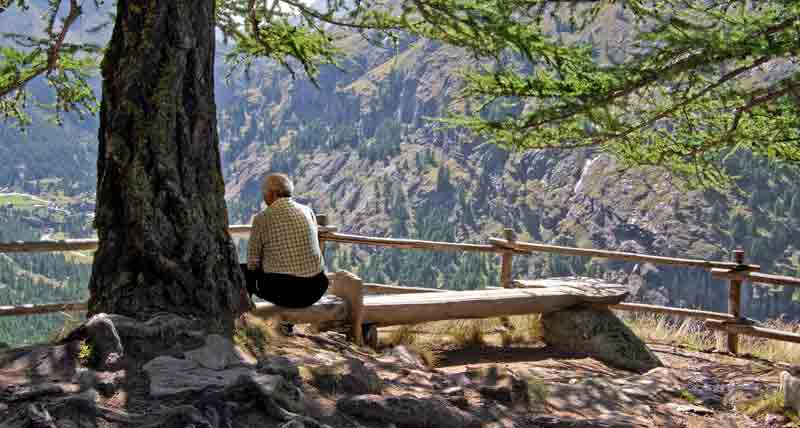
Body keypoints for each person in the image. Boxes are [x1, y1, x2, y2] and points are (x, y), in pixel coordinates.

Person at [241, 174, 328, 330]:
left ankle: (244, 319)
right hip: (316, 289)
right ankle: (287, 324)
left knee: (242, 270)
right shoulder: (308, 211)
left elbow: (252, 262)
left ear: (273, 194)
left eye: (264, 193)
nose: (263, 197)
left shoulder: (262, 218)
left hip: (285, 293)